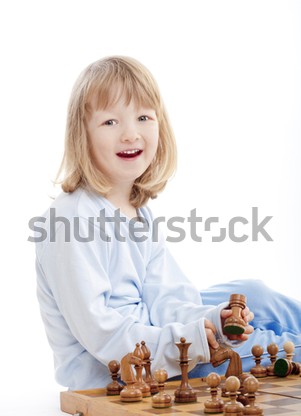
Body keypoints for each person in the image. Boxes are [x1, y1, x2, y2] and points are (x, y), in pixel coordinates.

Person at [35, 56, 301, 390]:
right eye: (110, 122)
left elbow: (166, 299)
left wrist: (210, 320)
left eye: (143, 117)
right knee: (270, 348)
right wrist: (193, 340)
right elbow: (103, 336)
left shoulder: (136, 210)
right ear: (82, 135)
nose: (131, 134)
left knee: (254, 294)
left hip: (155, 335)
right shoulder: (70, 219)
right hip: (126, 370)